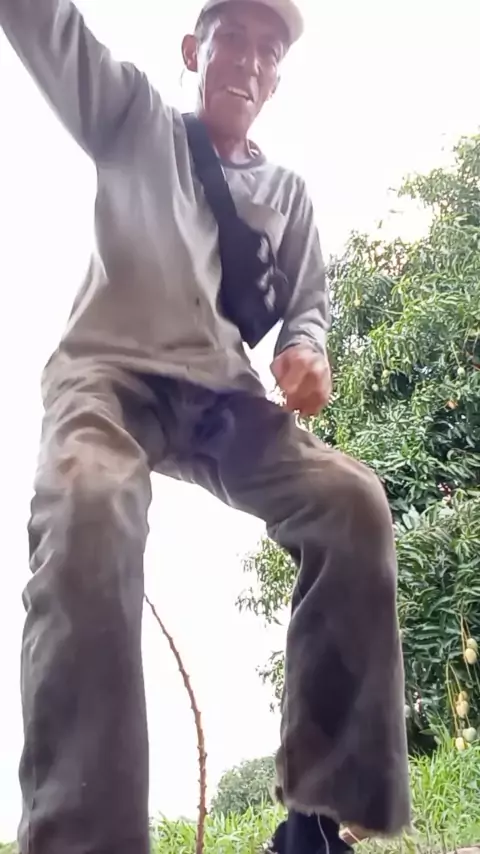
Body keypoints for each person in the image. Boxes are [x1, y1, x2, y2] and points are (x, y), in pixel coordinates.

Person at [0, 0, 411, 852]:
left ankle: (318, 823)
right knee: (89, 501)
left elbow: (309, 311)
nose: (250, 61)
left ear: (277, 80)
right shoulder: (133, 119)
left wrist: (305, 354)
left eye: (269, 51)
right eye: (233, 40)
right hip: (108, 379)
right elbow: (47, 26)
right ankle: (82, 835)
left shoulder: (288, 195)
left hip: (224, 400)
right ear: (194, 50)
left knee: (352, 503)